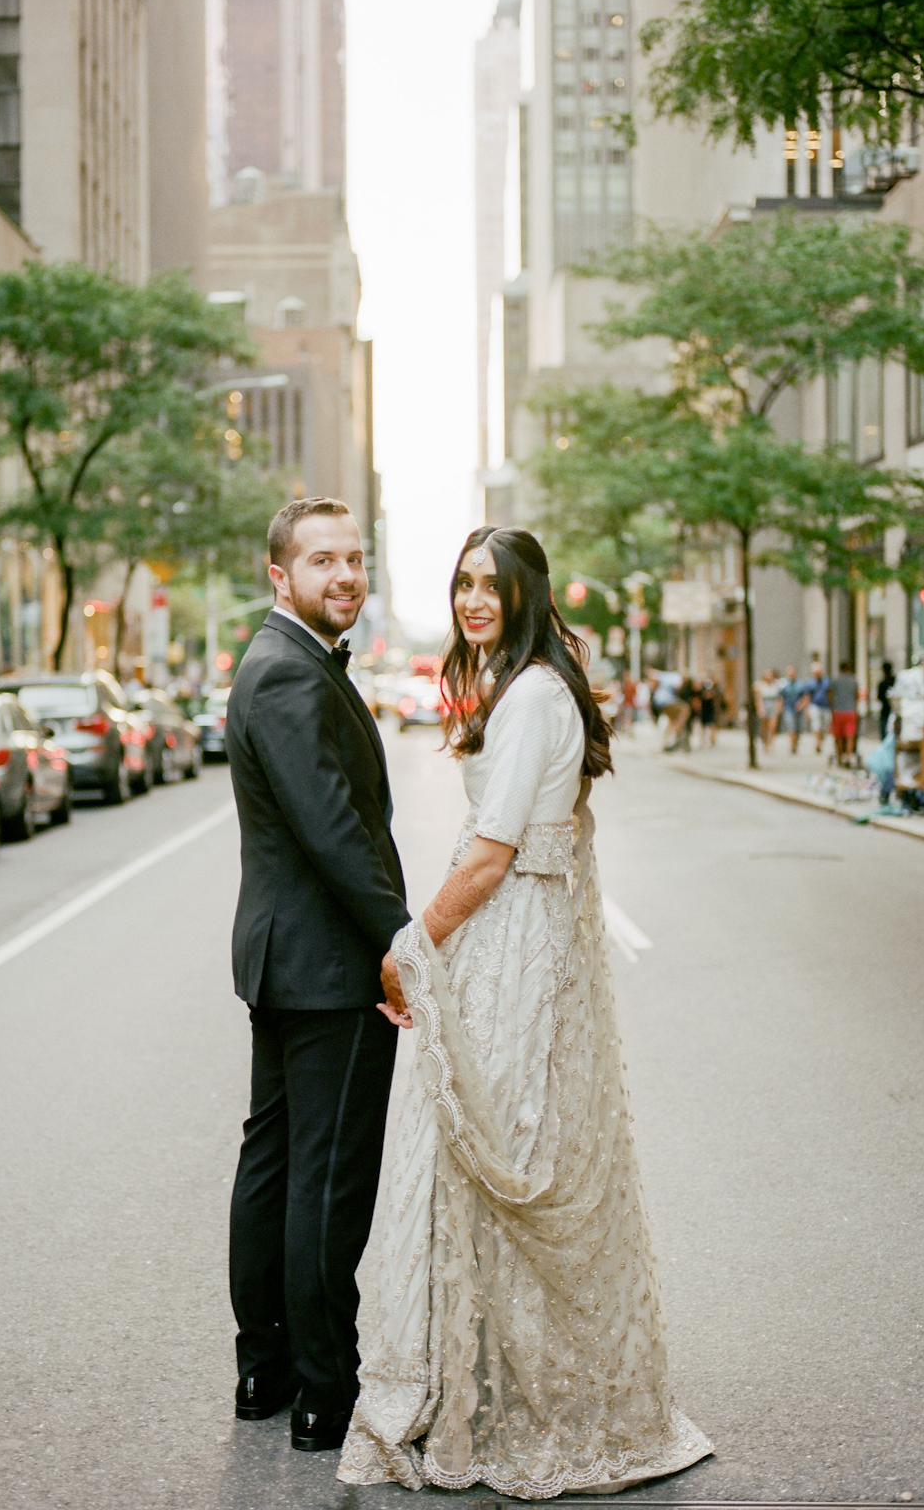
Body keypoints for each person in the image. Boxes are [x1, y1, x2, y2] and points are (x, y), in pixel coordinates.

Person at [339, 526, 713, 1499]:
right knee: (495, 1157)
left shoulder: (533, 696)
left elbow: (490, 853)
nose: (472, 599)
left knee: (497, 1159)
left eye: (490, 585)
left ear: (526, 594)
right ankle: (495, 1384)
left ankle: (522, 1401)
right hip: (522, 940)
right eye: (462, 582)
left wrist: (410, 950)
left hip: (510, 947)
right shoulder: (532, 688)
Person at [224, 497, 410, 1455]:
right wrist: (400, 943)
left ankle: (266, 1368)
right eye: (323, 560)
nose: (345, 575)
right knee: (323, 1181)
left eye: (355, 559)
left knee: (276, 1163)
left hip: (284, 959)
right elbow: (335, 830)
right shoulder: (290, 675)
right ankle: (323, 1392)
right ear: (280, 576)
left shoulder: (279, 662)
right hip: (331, 967)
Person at [830, 661, 860, 766]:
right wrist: (855, 708)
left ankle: (839, 758)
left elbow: (831, 695)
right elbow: (857, 696)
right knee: (850, 735)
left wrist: (832, 707)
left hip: (838, 711)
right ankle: (848, 757)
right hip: (850, 711)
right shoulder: (853, 681)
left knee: (838, 736)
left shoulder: (835, 680)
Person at [798, 661, 831, 754]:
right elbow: (807, 696)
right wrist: (806, 710)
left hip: (825, 706)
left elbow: (830, 694)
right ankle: (817, 743)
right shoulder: (809, 682)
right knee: (816, 725)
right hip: (814, 706)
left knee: (825, 726)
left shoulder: (826, 681)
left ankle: (820, 740)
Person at [779, 665, 803, 753]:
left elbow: (804, 696)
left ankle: (795, 744)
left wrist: (801, 704)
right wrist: (780, 707)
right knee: (791, 727)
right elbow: (781, 696)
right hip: (788, 708)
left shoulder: (800, 684)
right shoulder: (784, 684)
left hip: (798, 709)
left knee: (797, 728)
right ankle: (792, 745)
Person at [758, 667, 783, 750]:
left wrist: (779, 706)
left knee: (772, 726)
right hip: (765, 706)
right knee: (764, 726)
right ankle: (765, 742)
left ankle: (770, 743)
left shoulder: (776, 685)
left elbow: (779, 697)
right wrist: (760, 709)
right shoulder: (761, 685)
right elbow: (759, 699)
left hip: (773, 706)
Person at [877, 660, 896, 741]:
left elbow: (879, 697)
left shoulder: (882, 683)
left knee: (884, 734)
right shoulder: (895, 680)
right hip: (893, 710)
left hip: (885, 710)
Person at [698, 676, 718, 746]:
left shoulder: (712, 691)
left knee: (711, 725)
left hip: (709, 709)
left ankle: (712, 740)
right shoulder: (702, 690)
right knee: (705, 726)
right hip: (704, 710)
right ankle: (703, 740)